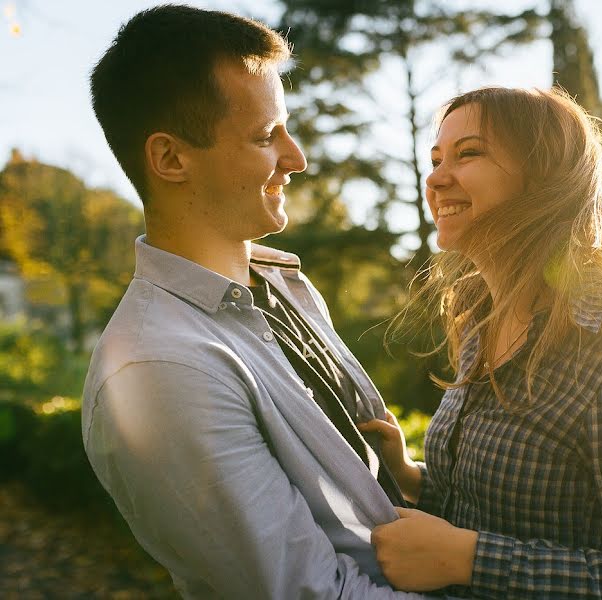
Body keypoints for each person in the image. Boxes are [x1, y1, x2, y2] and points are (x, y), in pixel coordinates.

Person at [82, 6, 429, 599]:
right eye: (266, 136)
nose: (296, 158)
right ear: (169, 159)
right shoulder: (162, 369)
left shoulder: (284, 286)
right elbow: (308, 593)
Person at [360, 87, 602, 599]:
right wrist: (411, 475)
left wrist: (470, 560)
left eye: (468, 153)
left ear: (543, 176)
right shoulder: (481, 323)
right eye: (435, 159)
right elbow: (489, 505)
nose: (435, 179)